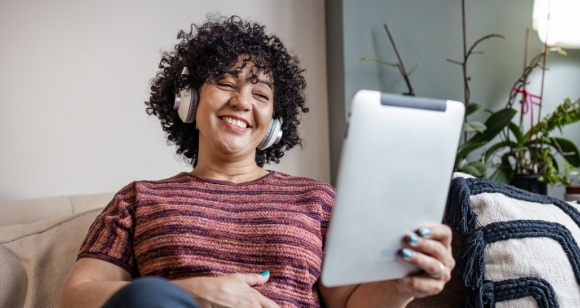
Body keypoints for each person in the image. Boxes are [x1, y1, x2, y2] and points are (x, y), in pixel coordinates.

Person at [60, 15, 455, 308]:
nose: (243, 101)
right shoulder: (139, 200)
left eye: (261, 95)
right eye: (226, 83)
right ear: (189, 101)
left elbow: (349, 304)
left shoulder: (318, 199)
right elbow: (78, 296)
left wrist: (403, 284)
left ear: (273, 124)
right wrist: (193, 290)